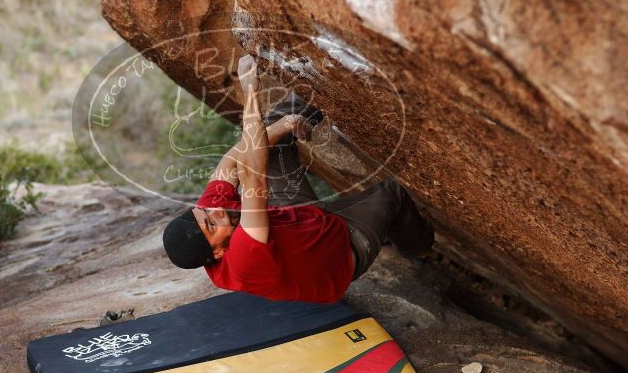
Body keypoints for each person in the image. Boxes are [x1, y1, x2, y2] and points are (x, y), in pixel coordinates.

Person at [162, 55, 433, 303]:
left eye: (206, 211)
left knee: (272, 132)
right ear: (218, 253)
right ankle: (418, 250)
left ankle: (327, 71)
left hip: (296, 216)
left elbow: (232, 162)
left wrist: (285, 124)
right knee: (391, 193)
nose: (217, 211)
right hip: (342, 247)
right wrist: (250, 91)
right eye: (211, 223)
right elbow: (252, 176)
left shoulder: (211, 214)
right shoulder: (243, 260)